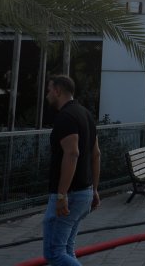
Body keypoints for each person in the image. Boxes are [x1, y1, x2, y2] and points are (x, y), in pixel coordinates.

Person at [41, 75, 100, 266]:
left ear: (58, 90)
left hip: (70, 196)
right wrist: (95, 190)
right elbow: (96, 154)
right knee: (66, 248)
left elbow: (72, 153)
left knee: (54, 253)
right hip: (84, 193)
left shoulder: (65, 117)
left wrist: (61, 195)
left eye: (49, 89)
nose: (48, 94)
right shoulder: (86, 114)